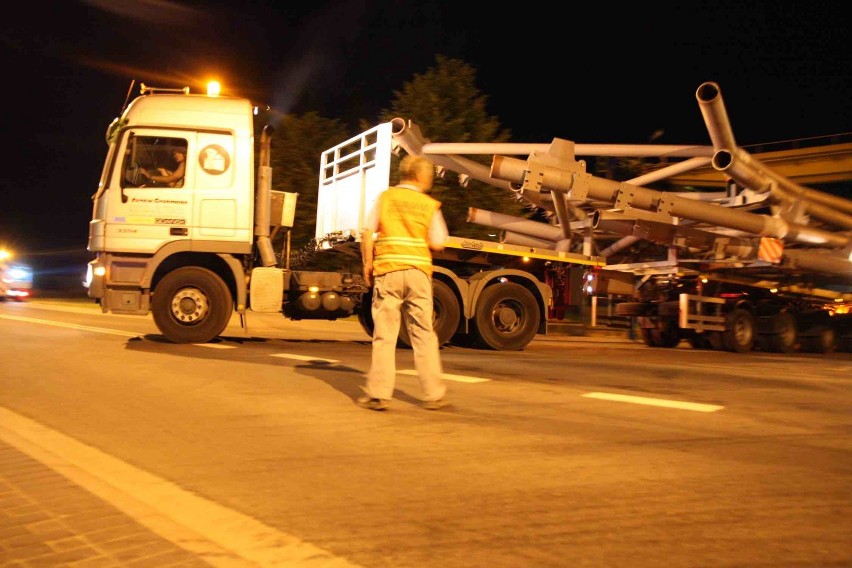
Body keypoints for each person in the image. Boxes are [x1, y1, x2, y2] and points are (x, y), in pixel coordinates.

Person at [358, 154, 449, 411]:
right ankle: (434, 394)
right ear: (421, 176)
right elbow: (439, 242)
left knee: (385, 335)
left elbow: (367, 232)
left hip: (388, 271)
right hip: (418, 274)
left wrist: (367, 264)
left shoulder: (386, 198)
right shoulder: (429, 205)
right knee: (423, 334)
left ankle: (379, 395)